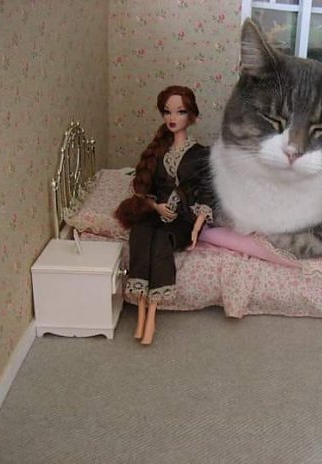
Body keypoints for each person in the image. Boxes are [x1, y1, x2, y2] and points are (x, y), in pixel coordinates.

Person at [115, 85, 214, 345]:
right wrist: (155, 206)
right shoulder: (158, 151)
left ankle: (152, 315)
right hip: (155, 214)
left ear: (192, 116)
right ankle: (140, 312)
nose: (172, 118)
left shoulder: (201, 154)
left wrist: (197, 227)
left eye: (180, 112)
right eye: (167, 112)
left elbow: (206, 193)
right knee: (140, 233)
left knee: (161, 241)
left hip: (182, 220)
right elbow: (145, 188)